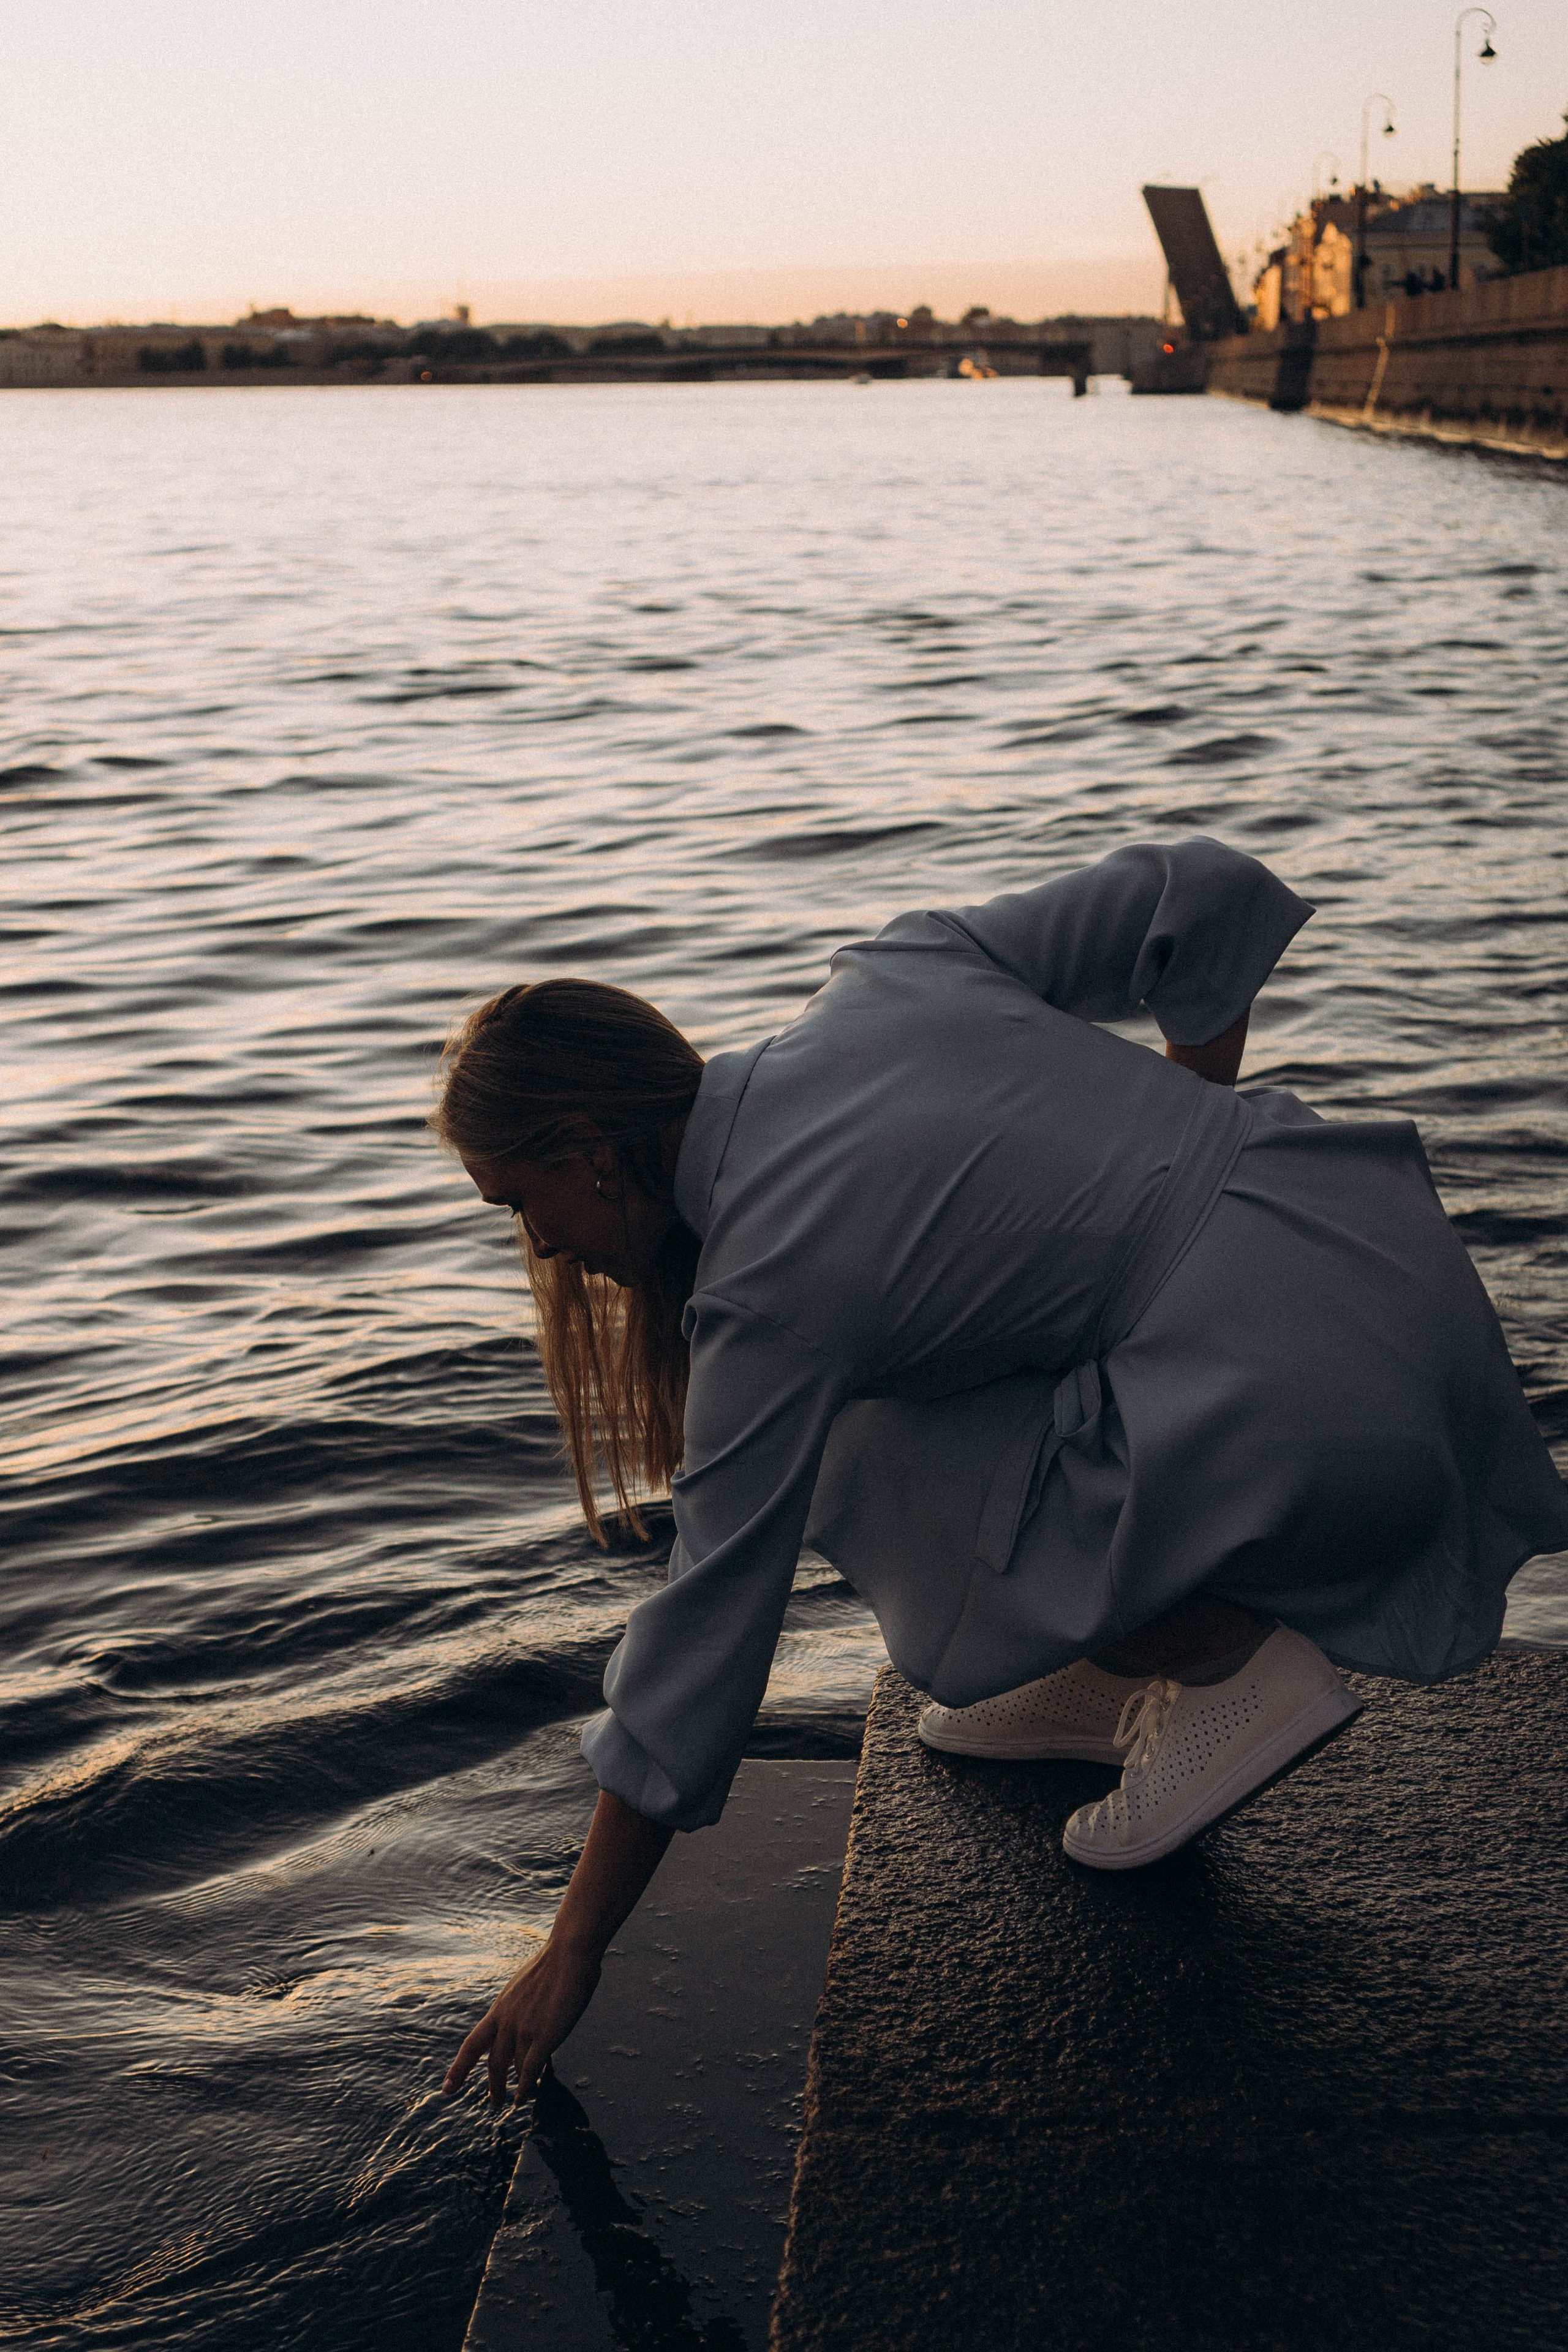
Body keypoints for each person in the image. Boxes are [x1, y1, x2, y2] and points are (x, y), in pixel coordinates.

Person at [435, 837, 1568, 2106]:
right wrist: (1186, 1126)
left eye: (518, 1204)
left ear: (590, 1148)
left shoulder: (766, 1292)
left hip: (1312, 1418)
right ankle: (1097, 1670)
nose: (538, 1245)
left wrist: (571, 1946)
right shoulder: (889, 973)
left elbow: (706, 1623)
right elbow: (1197, 891)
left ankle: (1219, 1664)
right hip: (1380, 1275)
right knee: (925, 1363)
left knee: (842, 1443)